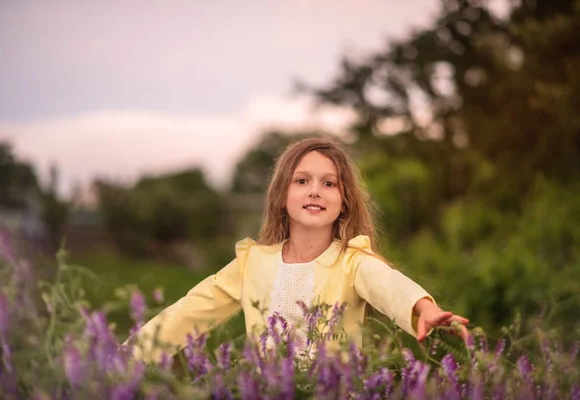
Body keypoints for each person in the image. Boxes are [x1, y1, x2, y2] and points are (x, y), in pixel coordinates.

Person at [123, 137, 469, 363]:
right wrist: (125, 356)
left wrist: (422, 308)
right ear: (281, 196)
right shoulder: (252, 263)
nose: (315, 191)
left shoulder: (352, 262)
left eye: (329, 183)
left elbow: (389, 284)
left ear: (344, 201)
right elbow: (191, 311)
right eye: (302, 181)